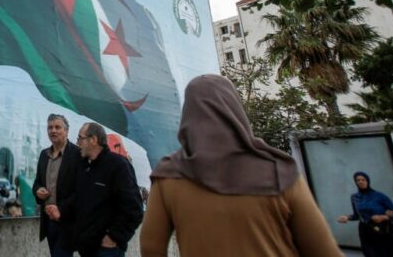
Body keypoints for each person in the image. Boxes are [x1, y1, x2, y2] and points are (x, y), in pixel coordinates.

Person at [140, 74, 342, 257]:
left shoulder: (169, 176)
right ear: (235, 111)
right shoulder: (278, 171)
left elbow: (151, 248)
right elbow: (323, 250)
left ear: (188, 115)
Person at [56, 122, 142, 257]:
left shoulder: (118, 165)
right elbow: (80, 198)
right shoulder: (85, 167)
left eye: (80, 138)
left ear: (93, 140)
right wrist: (60, 209)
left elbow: (134, 209)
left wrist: (114, 237)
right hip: (87, 247)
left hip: (108, 250)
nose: (78, 143)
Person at [33, 113, 81, 257]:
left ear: (66, 131)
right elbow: (37, 182)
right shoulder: (44, 154)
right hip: (48, 222)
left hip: (68, 222)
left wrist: (61, 209)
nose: (53, 130)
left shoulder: (77, 154)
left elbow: (81, 190)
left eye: (57, 127)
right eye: (50, 127)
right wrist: (38, 191)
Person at [338, 171, 393, 257]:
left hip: (382, 230)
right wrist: (347, 217)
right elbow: (357, 215)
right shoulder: (355, 197)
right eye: (358, 180)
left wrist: (384, 217)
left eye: (363, 180)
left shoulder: (379, 196)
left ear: (368, 181)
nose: (360, 182)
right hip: (366, 231)